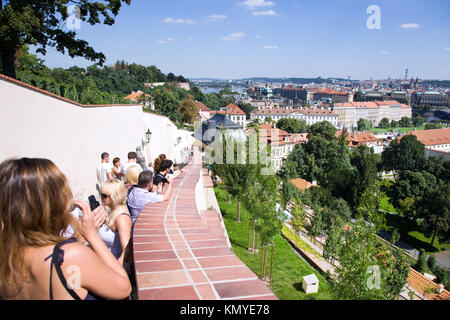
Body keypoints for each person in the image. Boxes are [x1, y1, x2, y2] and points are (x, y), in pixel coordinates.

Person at [0, 158, 131, 300]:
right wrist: (91, 235)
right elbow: (124, 288)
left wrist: (79, 238)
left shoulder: (7, 255)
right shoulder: (69, 256)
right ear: (54, 200)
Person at [99, 180, 132, 266]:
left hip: (112, 266)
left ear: (114, 196)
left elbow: (126, 250)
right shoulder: (113, 212)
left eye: (104, 195)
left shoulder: (121, 218)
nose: (100, 197)